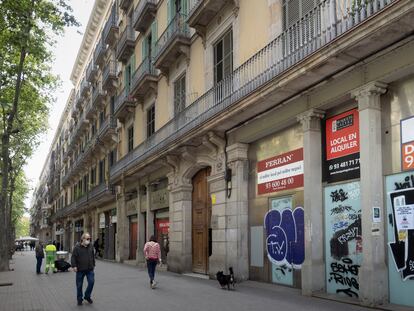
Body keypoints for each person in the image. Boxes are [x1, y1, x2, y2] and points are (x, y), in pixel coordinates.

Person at [71, 232, 95, 306]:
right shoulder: (77, 247)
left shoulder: (90, 246)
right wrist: (74, 266)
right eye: (87, 239)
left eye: (89, 239)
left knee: (91, 282)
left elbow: (92, 255)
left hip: (89, 269)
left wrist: (93, 264)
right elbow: (73, 257)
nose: (89, 240)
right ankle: (79, 299)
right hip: (80, 269)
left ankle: (87, 296)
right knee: (79, 285)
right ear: (83, 239)